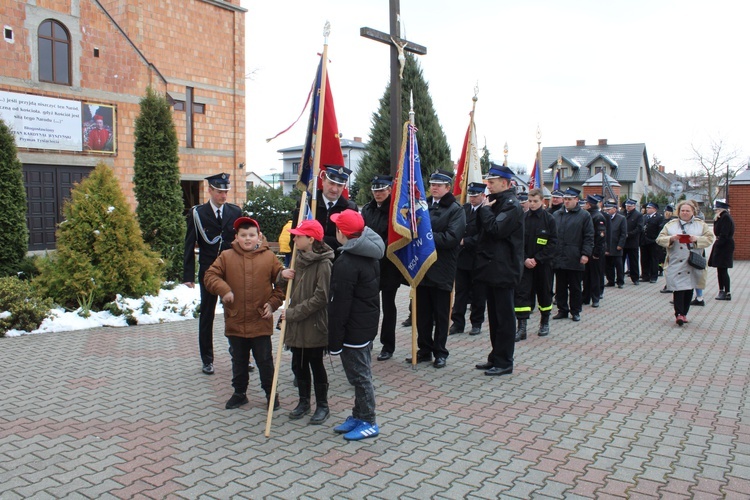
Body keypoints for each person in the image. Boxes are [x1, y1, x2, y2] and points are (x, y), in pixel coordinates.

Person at [203, 217, 285, 410]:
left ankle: (271, 395)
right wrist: (224, 290)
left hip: (260, 320)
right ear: (236, 237)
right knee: (238, 360)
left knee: (265, 361)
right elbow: (210, 276)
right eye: (243, 235)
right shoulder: (226, 256)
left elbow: (281, 285)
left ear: (259, 236)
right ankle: (239, 393)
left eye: (251, 235)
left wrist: (273, 304)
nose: (248, 239)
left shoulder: (269, 258)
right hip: (236, 319)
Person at [327, 210, 384, 441]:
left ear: (342, 233)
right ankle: (358, 414)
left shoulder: (347, 262)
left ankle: (369, 421)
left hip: (354, 329)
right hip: (365, 324)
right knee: (358, 375)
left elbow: (339, 305)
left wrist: (334, 342)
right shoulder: (367, 252)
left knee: (360, 377)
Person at [183, 173, 242, 375]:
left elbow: (241, 241)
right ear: (209, 190)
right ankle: (207, 359)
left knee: (234, 314)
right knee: (207, 315)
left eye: (226, 191)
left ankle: (240, 355)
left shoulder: (235, 212)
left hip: (231, 270)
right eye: (219, 192)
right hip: (209, 271)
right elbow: (189, 244)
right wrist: (188, 275)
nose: (223, 196)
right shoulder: (198, 213)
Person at [408, 169, 466, 369]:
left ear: (448, 187)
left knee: (441, 315)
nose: (434, 187)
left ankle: (440, 352)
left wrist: (426, 238)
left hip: (442, 267)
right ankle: (424, 350)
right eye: (432, 184)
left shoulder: (456, 210)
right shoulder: (422, 207)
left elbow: (452, 238)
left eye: (439, 185)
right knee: (422, 313)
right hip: (422, 268)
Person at [278, 220, 334, 424]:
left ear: (310, 239)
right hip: (297, 324)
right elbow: (286, 285)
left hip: (314, 324)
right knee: (298, 364)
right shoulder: (297, 258)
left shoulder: (324, 263)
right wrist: (282, 275)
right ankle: (303, 402)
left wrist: (293, 313)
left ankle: (322, 405)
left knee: (315, 364)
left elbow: (321, 297)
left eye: (298, 236)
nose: (294, 239)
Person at [473, 164, 524, 376]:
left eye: (492, 182)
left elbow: (496, 229)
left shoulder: (511, 205)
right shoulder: (496, 202)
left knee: (504, 318)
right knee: (494, 317)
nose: (488, 186)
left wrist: (484, 210)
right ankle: (495, 356)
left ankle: (504, 361)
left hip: (504, 268)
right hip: (492, 268)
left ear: (504, 183)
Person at [360, 175, 404, 361]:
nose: (378, 193)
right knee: (368, 307)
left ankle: (388, 345)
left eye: (382, 190)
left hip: (387, 265)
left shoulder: (395, 210)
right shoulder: (367, 209)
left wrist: (379, 252)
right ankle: (366, 340)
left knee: (388, 307)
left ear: (389, 190)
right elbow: (361, 232)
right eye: (375, 190)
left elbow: (394, 237)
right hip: (368, 264)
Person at [656, 200, 714, 326]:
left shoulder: (701, 225)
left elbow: (710, 239)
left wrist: (697, 239)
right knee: (678, 288)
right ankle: (679, 314)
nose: (685, 213)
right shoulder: (671, 225)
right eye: (682, 210)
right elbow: (659, 239)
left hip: (692, 261)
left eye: (688, 210)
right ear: (678, 212)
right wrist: (671, 239)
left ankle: (684, 313)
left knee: (689, 288)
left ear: (693, 212)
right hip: (676, 261)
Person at [513, 188, 557, 341]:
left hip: (543, 264)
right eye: (529, 201)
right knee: (522, 295)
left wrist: (537, 259)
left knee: (544, 293)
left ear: (542, 201)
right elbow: (517, 242)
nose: (532, 204)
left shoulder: (549, 219)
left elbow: (553, 243)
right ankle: (522, 327)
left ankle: (544, 322)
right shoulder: (522, 219)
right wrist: (525, 259)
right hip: (525, 265)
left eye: (535, 201)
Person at [450, 181, 487, 336]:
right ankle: (457, 323)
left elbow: (485, 235)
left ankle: (476, 323)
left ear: (483, 196)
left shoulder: (486, 211)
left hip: (478, 258)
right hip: (462, 258)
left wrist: (466, 241)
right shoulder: (463, 209)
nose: (472, 198)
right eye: (470, 195)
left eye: (476, 195)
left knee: (478, 293)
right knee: (460, 293)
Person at [293, 165, 358, 255]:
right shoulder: (306, 204)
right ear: (323, 180)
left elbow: (351, 241)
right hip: (310, 261)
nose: (334, 189)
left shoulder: (350, 208)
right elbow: (295, 237)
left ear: (344, 186)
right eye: (331, 183)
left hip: (339, 263)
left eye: (339, 185)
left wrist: (317, 240)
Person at [552, 188, 594, 322]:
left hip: (575, 257)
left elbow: (588, 236)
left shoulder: (584, 216)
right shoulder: (557, 214)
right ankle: (562, 310)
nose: (567, 202)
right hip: (559, 256)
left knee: (575, 287)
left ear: (577, 199)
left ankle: (575, 311)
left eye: (570, 199)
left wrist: (585, 254)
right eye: (565, 199)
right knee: (560, 286)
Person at [582, 195, 606, 308]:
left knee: (595, 276)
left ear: (589, 204)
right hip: (587, 250)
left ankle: (595, 298)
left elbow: (600, 236)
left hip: (595, 251)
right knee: (586, 275)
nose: (583, 205)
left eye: (585, 203)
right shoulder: (588, 215)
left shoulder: (598, 216)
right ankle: (585, 297)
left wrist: (596, 253)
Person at [708, 200, 735, 301]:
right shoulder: (722, 217)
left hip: (724, 246)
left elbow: (724, 233)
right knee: (721, 269)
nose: (715, 211)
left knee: (723, 269)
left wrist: (718, 245)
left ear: (720, 209)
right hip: (722, 244)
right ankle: (723, 291)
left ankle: (725, 292)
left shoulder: (725, 217)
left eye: (717, 209)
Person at [603, 200, 627, 288]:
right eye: (606, 209)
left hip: (616, 245)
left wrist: (620, 244)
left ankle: (620, 281)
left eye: (609, 209)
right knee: (608, 265)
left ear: (614, 209)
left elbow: (623, 233)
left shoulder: (621, 218)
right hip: (607, 245)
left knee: (619, 265)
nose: (607, 211)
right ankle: (611, 280)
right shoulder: (605, 217)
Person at [639, 202, 664, 283]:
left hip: (653, 241)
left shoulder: (659, 218)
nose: (647, 209)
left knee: (654, 259)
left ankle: (654, 276)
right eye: (647, 208)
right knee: (644, 259)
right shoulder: (644, 217)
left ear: (655, 209)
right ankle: (645, 275)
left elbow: (660, 230)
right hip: (644, 241)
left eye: (650, 208)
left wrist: (656, 239)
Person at [623, 199, 643, 285]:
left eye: (630, 206)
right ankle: (620, 277)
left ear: (634, 206)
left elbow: (639, 228)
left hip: (632, 242)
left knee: (633, 261)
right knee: (621, 261)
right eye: (627, 206)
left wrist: (629, 234)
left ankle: (635, 278)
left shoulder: (638, 215)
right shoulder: (622, 213)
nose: (628, 207)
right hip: (622, 242)